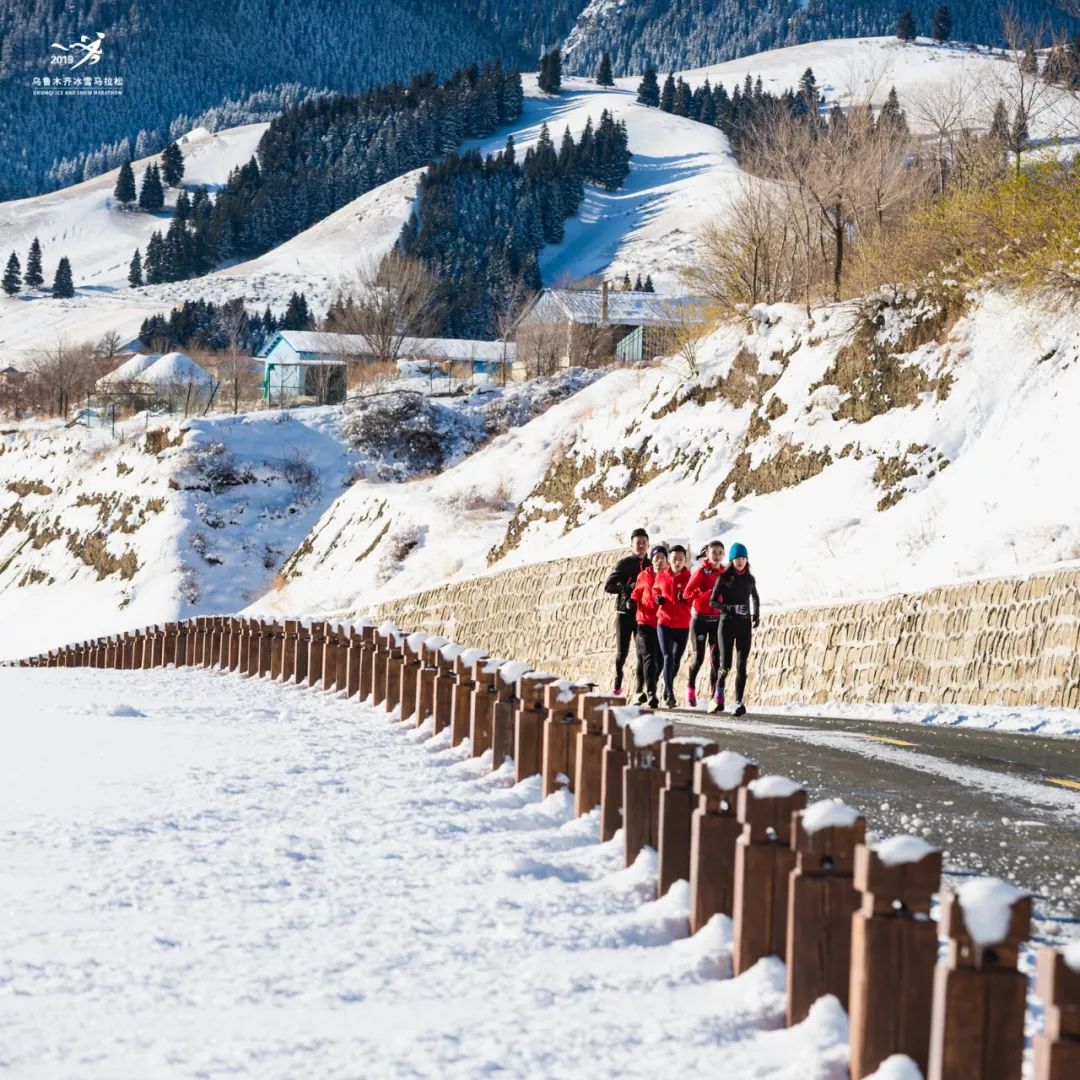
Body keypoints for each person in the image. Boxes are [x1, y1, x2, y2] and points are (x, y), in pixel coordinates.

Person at [708, 542, 759, 716]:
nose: (740, 561)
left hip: (744, 626)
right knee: (726, 665)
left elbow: (755, 597)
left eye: (743, 558)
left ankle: (738, 702)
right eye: (737, 558)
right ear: (731, 560)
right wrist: (730, 608)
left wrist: (756, 614)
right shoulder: (723, 578)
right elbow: (712, 602)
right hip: (726, 625)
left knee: (742, 664)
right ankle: (719, 691)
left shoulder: (750, 579)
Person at [603, 528, 649, 697]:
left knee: (641, 653)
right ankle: (618, 680)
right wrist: (627, 587)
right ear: (631, 545)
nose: (641, 545)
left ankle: (639, 690)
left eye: (644, 542)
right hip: (624, 614)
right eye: (638, 543)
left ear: (648, 545)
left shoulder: (651, 565)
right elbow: (608, 586)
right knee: (622, 653)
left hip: (642, 615)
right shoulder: (623, 564)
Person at [682, 539, 725, 708]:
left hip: (717, 622)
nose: (717, 556)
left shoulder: (725, 573)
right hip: (699, 621)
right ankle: (691, 687)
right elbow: (686, 594)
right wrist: (704, 593)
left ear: (723, 555)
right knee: (698, 658)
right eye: (714, 552)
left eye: (720, 553)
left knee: (716, 660)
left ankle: (715, 696)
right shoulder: (701, 572)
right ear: (707, 553)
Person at [630, 544, 667, 708]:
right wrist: (632, 602)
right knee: (648, 657)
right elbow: (636, 593)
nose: (659, 561)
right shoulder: (643, 575)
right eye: (656, 557)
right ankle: (650, 692)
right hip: (644, 622)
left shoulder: (669, 577)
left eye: (662, 558)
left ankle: (651, 684)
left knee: (660, 660)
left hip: (663, 623)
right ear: (651, 560)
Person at [655, 543, 692, 708]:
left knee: (676, 660)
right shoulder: (662, 575)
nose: (677, 562)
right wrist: (657, 598)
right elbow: (656, 589)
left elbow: (695, 595)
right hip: (664, 622)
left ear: (685, 560)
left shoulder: (689, 577)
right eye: (674, 559)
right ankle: (670, 693)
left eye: (680, 559)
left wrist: (686, 598)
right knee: (668, 657)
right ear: (669, 560)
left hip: (682, 624)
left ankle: (666, 684)